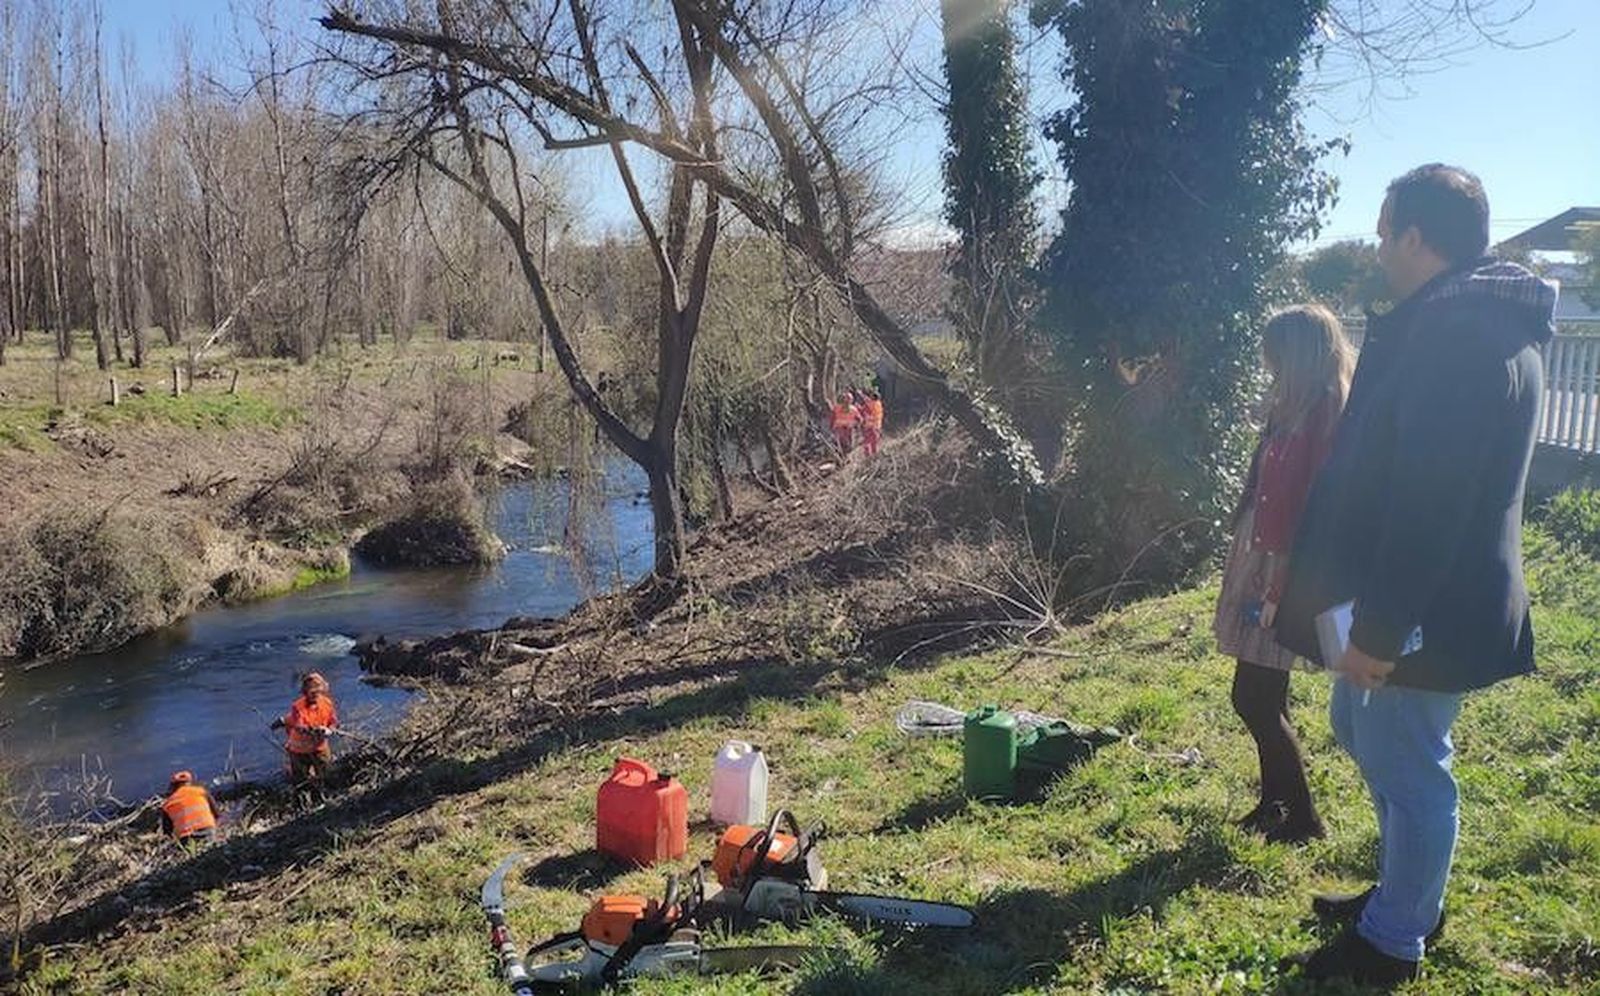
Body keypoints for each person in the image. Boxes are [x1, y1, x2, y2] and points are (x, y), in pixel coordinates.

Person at [1276, 164, 1555, 985]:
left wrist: (1381, 630)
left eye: (1383, 228)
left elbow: (1430, 505)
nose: (1375, 244)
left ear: (1414, 237)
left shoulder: (1461, 334)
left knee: (1408, 761)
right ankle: (1405, 891)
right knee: (1363, 731)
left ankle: (1394, 938)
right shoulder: (1459, 318)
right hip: (1415, 596)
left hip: (1425, 606)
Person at [1212, 305, 1353, 845]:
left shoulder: (1326, 413)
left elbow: (1313, 506)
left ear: (1297, 354)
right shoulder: (1291, 407)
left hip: (1283, 565)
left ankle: (1302, 819)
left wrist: (1276, 580)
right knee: (1268, 692)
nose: (1268, 366)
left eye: (1275, 356)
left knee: (1253, 696)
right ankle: (1274, 805)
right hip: (1262, 555)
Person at [271, 671, 339, 787]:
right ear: (305, 691)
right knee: (301, 782)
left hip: (319, 747)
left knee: (326, 776)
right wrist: (316, 730)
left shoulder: (327, 703)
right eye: (312, 691)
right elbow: (300, 726)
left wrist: (330, 730)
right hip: (299, 750)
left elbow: (333, 722)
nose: (316, 694)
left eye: (319, 690)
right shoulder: (298, 706)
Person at [159, 770, 219, 844]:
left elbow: (167, 832)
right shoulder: (201, 792)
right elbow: (217, 814)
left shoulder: (168, 804)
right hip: (208, 830)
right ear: (190, 782)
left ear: (173, 786)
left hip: (187, 837)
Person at [830, 390, 860, 455]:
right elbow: (832, 418)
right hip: (840, 429)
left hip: (847, 430)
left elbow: (859, 420)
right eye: (846, 400)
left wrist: (855, 425)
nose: (847, 402)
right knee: (841, 445)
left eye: (848, 400)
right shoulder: (837, 408)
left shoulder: (853, 409)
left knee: (846, 446)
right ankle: (841, 458)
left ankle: (844, 458)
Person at [860, 389, 885, 457]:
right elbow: (867, 399)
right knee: (874, 444)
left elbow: (866, 401)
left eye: (871, 396)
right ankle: (874, 457)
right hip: (877, 427)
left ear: (873, 398)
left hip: (870, 427)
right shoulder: (878, 404)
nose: (869, 397)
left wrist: (860, 394)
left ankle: (867, 457)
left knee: (867, 443)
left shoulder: (871, 404)